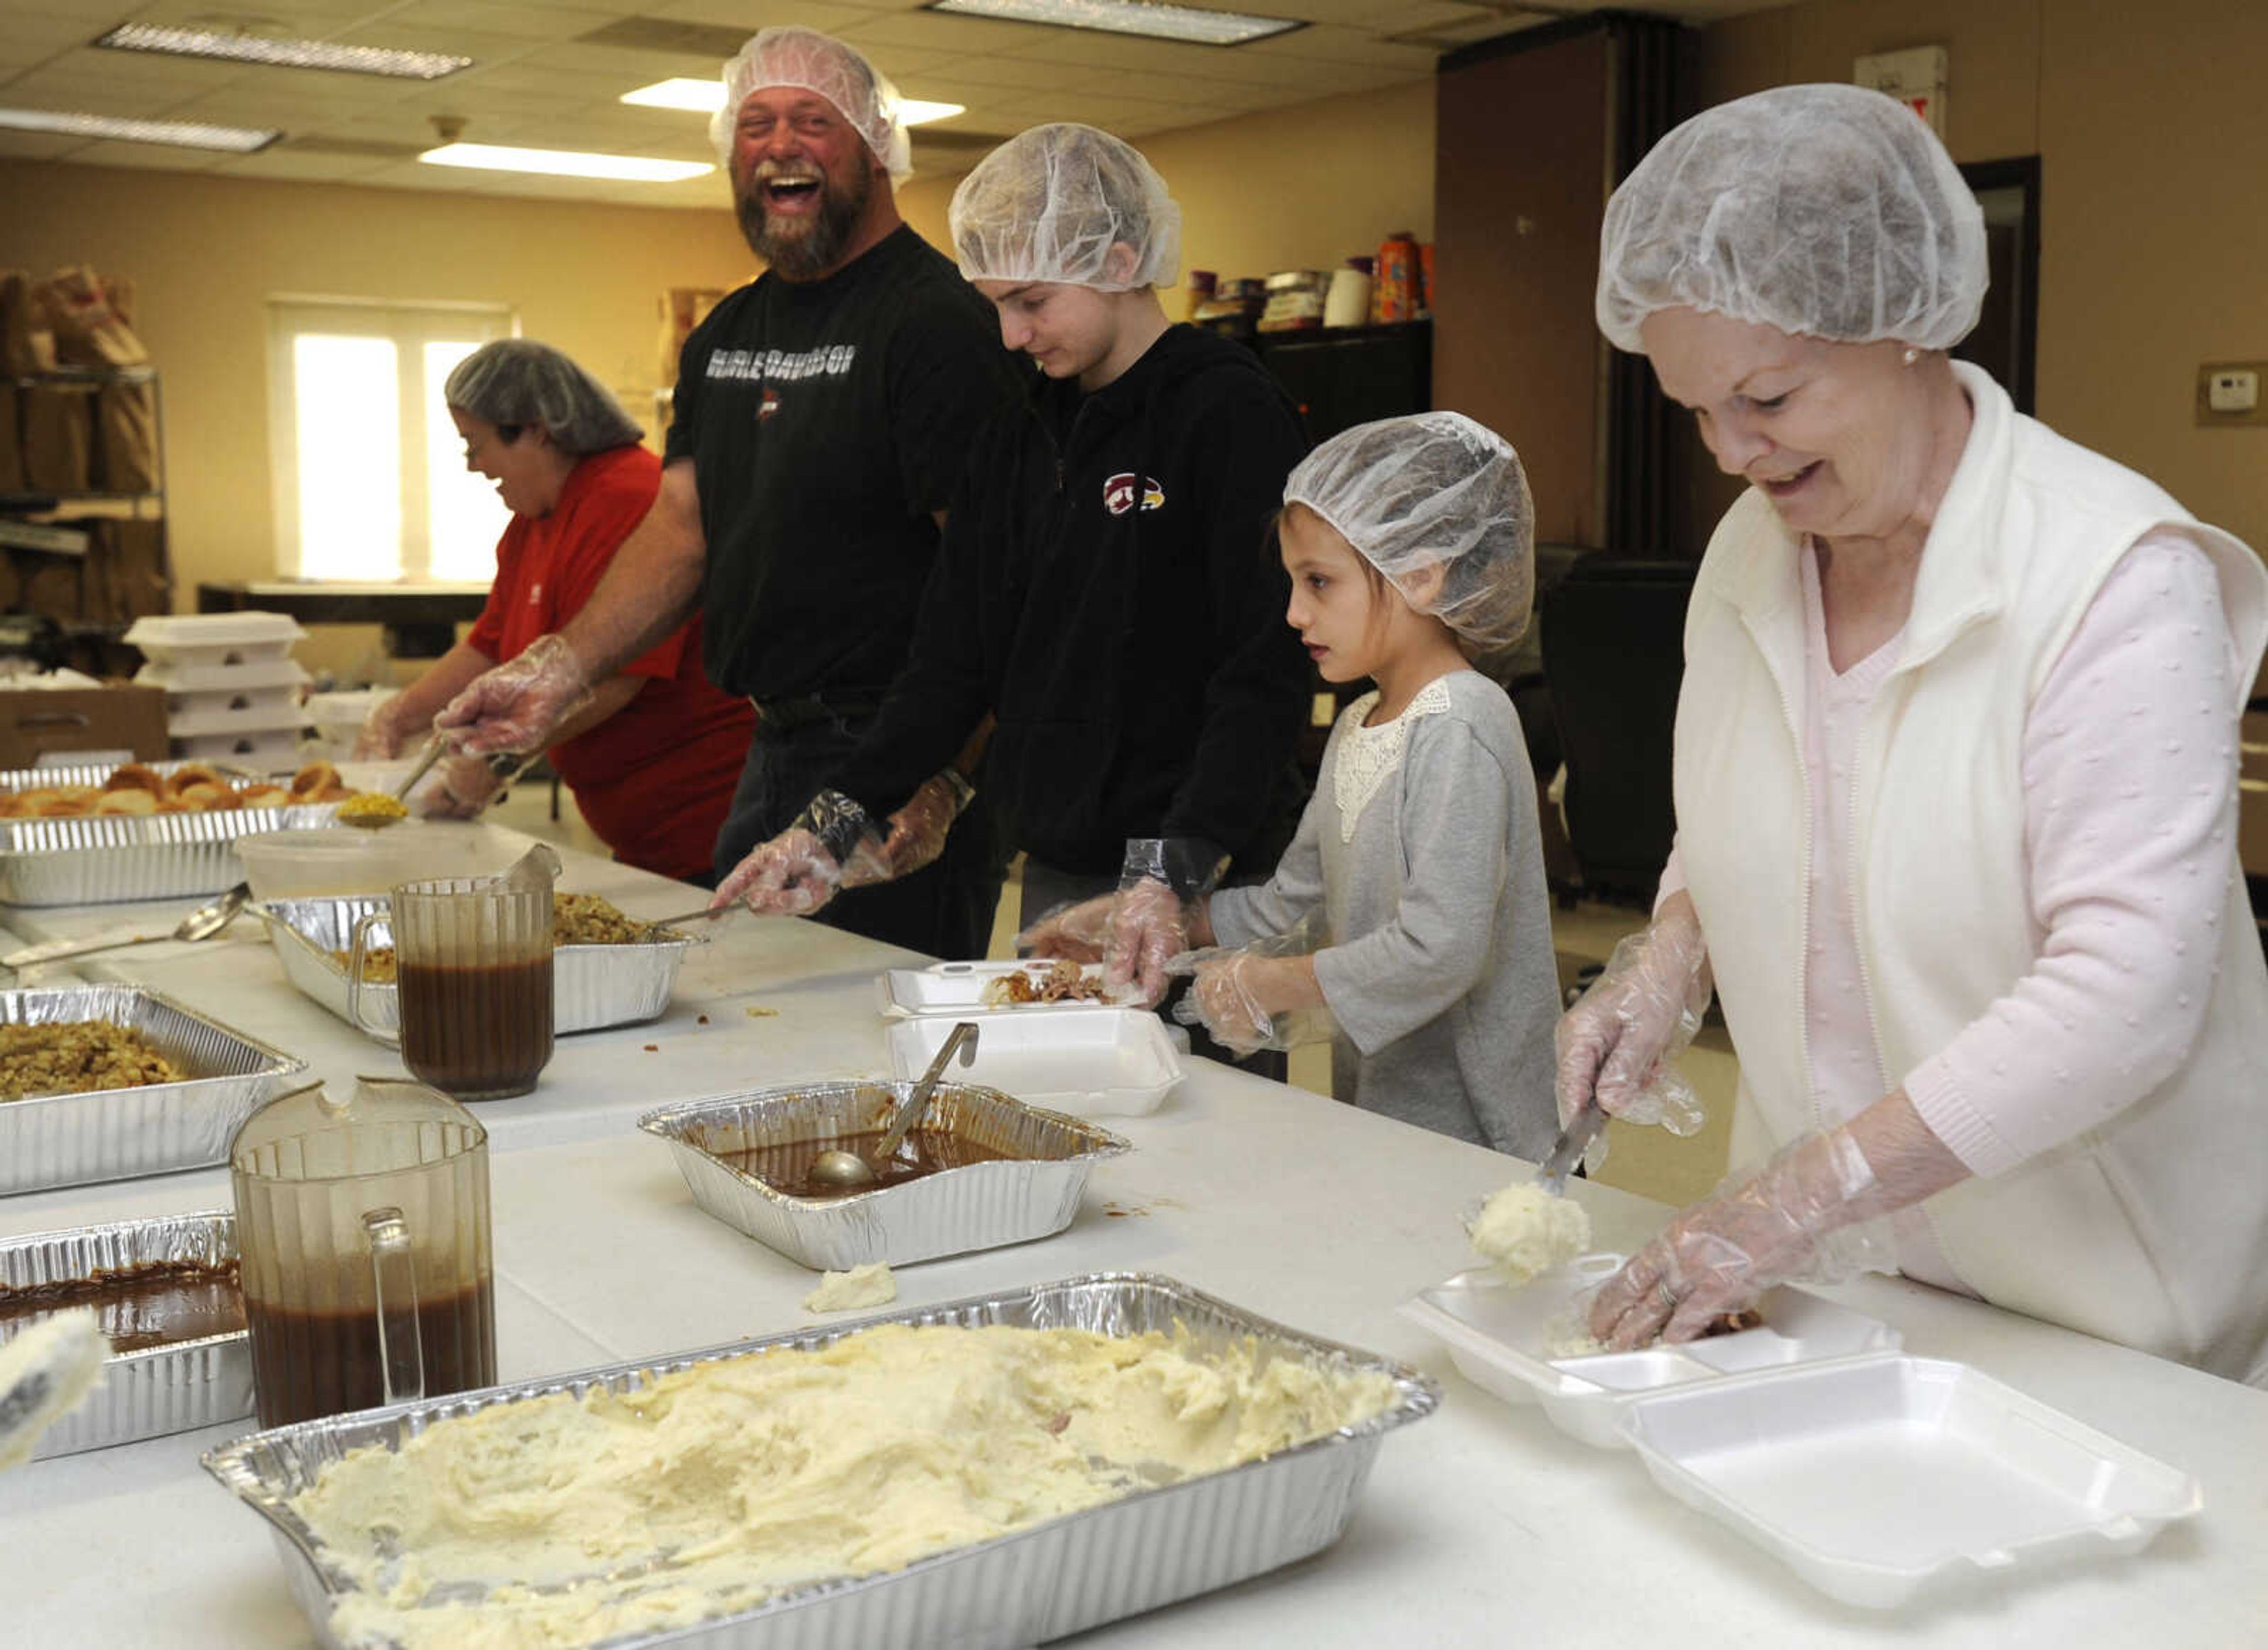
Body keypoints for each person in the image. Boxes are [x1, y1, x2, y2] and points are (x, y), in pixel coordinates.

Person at [1560, 83, 2268, 1383]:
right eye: (1694, 409)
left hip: (2100, 1316)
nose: (1732, 451)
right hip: (1833, 1290)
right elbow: (1755, 796)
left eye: (1767, 396)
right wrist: (1671, 948)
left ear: (1902, 327)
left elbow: (2129, 988)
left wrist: (1815, 1184)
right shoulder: (1751, 552)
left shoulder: (2109, 569)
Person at [434, 27, 1024, 956]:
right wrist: (562, 667)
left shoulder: (936, 321)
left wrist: (945, 771)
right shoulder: (724, 336)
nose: (780, 145)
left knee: (860, 1051)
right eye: (755, 125)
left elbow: (997, 575)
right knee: (740, 1015)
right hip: (773, 746)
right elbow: (680, 529)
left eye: (811, 121)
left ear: (875, 148)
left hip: (896, 756)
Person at [713, 123, 1313, 1007]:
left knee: (1203, 1117)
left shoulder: (1227, 411)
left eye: (1030, 301)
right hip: (1062, 853)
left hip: (1203, 862)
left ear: (1117, 259)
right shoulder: (1019, 427)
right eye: (994, 302)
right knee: (1082, 1107)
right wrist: (831, 821)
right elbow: (950, 661)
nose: (1009, 333)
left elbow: (1262, 666)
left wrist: (1175, 867)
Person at [1149, 414, 1562, 1156]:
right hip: (1386, 1102)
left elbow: (1443, 944)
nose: (1294, 612)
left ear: (1420, 573)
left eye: (1319, 582)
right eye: (1293, 582)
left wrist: (1276, 984)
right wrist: (1161, 919)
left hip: (1480, 1128)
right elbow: (1291, 903)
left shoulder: (1462, 722)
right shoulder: (1361, 722)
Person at [353, 340, 752, 883]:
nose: (472, 465)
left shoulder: (628, 496)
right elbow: (489, 647)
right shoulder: (530, 524)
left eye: (476, 444)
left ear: (538, 430)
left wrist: (495, 763)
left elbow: (619, 675)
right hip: (643, 837)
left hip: (707, 823)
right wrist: (399, 715)